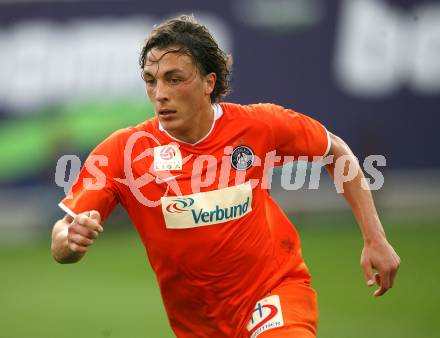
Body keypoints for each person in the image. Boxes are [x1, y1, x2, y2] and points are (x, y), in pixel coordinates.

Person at [51, 15, 400, 338]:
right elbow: (62, 235)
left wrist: (375, 238)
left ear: (208, 82)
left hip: (277, 293)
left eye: (175, 79)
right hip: (199, 325)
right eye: (151, 81)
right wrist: (70, 240)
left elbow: (335, 150)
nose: (160, 94)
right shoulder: (124, 152)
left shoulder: (258, 125)